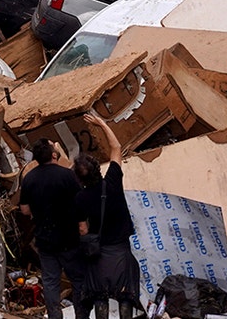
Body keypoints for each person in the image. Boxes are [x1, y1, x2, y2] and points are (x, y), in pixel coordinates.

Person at [74, 113, 141, 319]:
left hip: (99, 253)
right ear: (98, 168)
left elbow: (83, 229)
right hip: (121, 250)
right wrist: (102, 123)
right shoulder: (112, 180)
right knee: (125, 295)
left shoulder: (80, 198)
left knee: (99, 296)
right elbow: (116, 148)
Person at [19, 138, 89, 319]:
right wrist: (82, 224)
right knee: (78, 280)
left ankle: (55, 316)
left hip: (45, 240)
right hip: (69, 238)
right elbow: (79, 202)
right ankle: (82, 315)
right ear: (54, 155)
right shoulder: (67, 175)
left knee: (50, 282)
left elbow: (25, 209)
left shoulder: (29, 179)